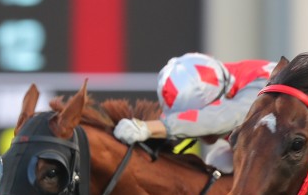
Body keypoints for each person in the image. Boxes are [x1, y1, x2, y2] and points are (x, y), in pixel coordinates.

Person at [113, 53, 276, 173]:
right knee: (220, 162)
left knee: (225, 162)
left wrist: (146, 128)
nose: (199, 133)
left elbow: (221, 118)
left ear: (225, 96)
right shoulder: (227, 82)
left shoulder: (264, 83)